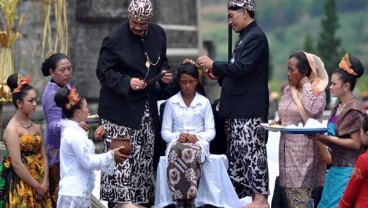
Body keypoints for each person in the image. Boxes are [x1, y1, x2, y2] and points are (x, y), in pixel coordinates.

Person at [95, 0, 173, 207]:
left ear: (150, 20)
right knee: (122, 157)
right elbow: (102, 72)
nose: (138, 27)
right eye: (135, 22)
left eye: (143, 23)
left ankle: (140, 202)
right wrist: (127, 82)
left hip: (146, 107)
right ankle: (122, 203)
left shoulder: (158, 33)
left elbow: (161, 61)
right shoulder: (114, 38)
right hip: (119, 109)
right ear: (129, 17)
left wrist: (164, 74)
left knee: (143, 159)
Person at [196, 0, 270, 207]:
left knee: (253, 155)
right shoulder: (245, 39)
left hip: (250, 111)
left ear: (244, 13)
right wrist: (217, 72)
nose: (230, 21)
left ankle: (261, 199)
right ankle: (246, 198)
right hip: (238, 109)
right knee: (238, 157)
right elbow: (237, 72)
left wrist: (214, 64)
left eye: (232, 16)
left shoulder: (255, 37)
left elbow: (242, 68)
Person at [53, 87, 126, 208]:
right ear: (78, 112)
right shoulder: (74, 134)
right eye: (86, 107)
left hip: (78, 191)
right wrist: (111, 155)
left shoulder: (73, 131)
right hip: (74, 195)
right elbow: (87, 161)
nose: (88, 110)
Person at [310, 53, 366, 208]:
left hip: (347, 171)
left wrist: (327, 139)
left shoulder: (354, 109)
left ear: (346, 86)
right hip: (335, 169)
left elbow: (355, 143)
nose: (331, 87)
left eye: (334, 84)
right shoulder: (339, 107)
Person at [272, 51, 328, 207]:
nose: (288, 73)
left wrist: (305, 85)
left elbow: (312, 111)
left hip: (305, 156)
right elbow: (286, 113)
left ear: (304, 72)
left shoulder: (316, 91)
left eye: (292, 70)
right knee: (290, 199)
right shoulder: (287, 90)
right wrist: (279, 121)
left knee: (301, 200)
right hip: (286, 154)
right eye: (287, 69)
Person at [161, 63, 215, 208]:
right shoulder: (172, 103)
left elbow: (211, 131)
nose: (187, 86)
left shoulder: (204, 103)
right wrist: (177, 136)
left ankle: (189, 198)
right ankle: (179, 198)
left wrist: (197, 137)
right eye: (183, 82)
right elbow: (165, 132)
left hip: (198, 143)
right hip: (176, 142)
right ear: (179, 82)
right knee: (177, 151)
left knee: (189, 151)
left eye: (191, 82)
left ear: (197, 81)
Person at [41, 52, 90, 206]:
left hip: (69, 145)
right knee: (60, 192)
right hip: (57, 151)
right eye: (62, 70)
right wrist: (75, 124)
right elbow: (54, 126)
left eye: (69, 68)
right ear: (52, 72)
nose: (67, 73)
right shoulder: (52, 94)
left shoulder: (66, 86)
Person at [1, 74, 52, 207]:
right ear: (19, 103)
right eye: (31, 100)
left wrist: (45, 183)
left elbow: (44, 157)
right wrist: (37, 186)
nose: (35, 104)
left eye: (35, 100)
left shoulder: (35, 127)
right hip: (21, 184)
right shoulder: (12, 129)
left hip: (41, 183)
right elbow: (17, 163)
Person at [338, 116, 368, 207]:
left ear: (367, 134)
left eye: (361, 131)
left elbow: (351, 190)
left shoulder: (364, 159)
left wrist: (342, 205)